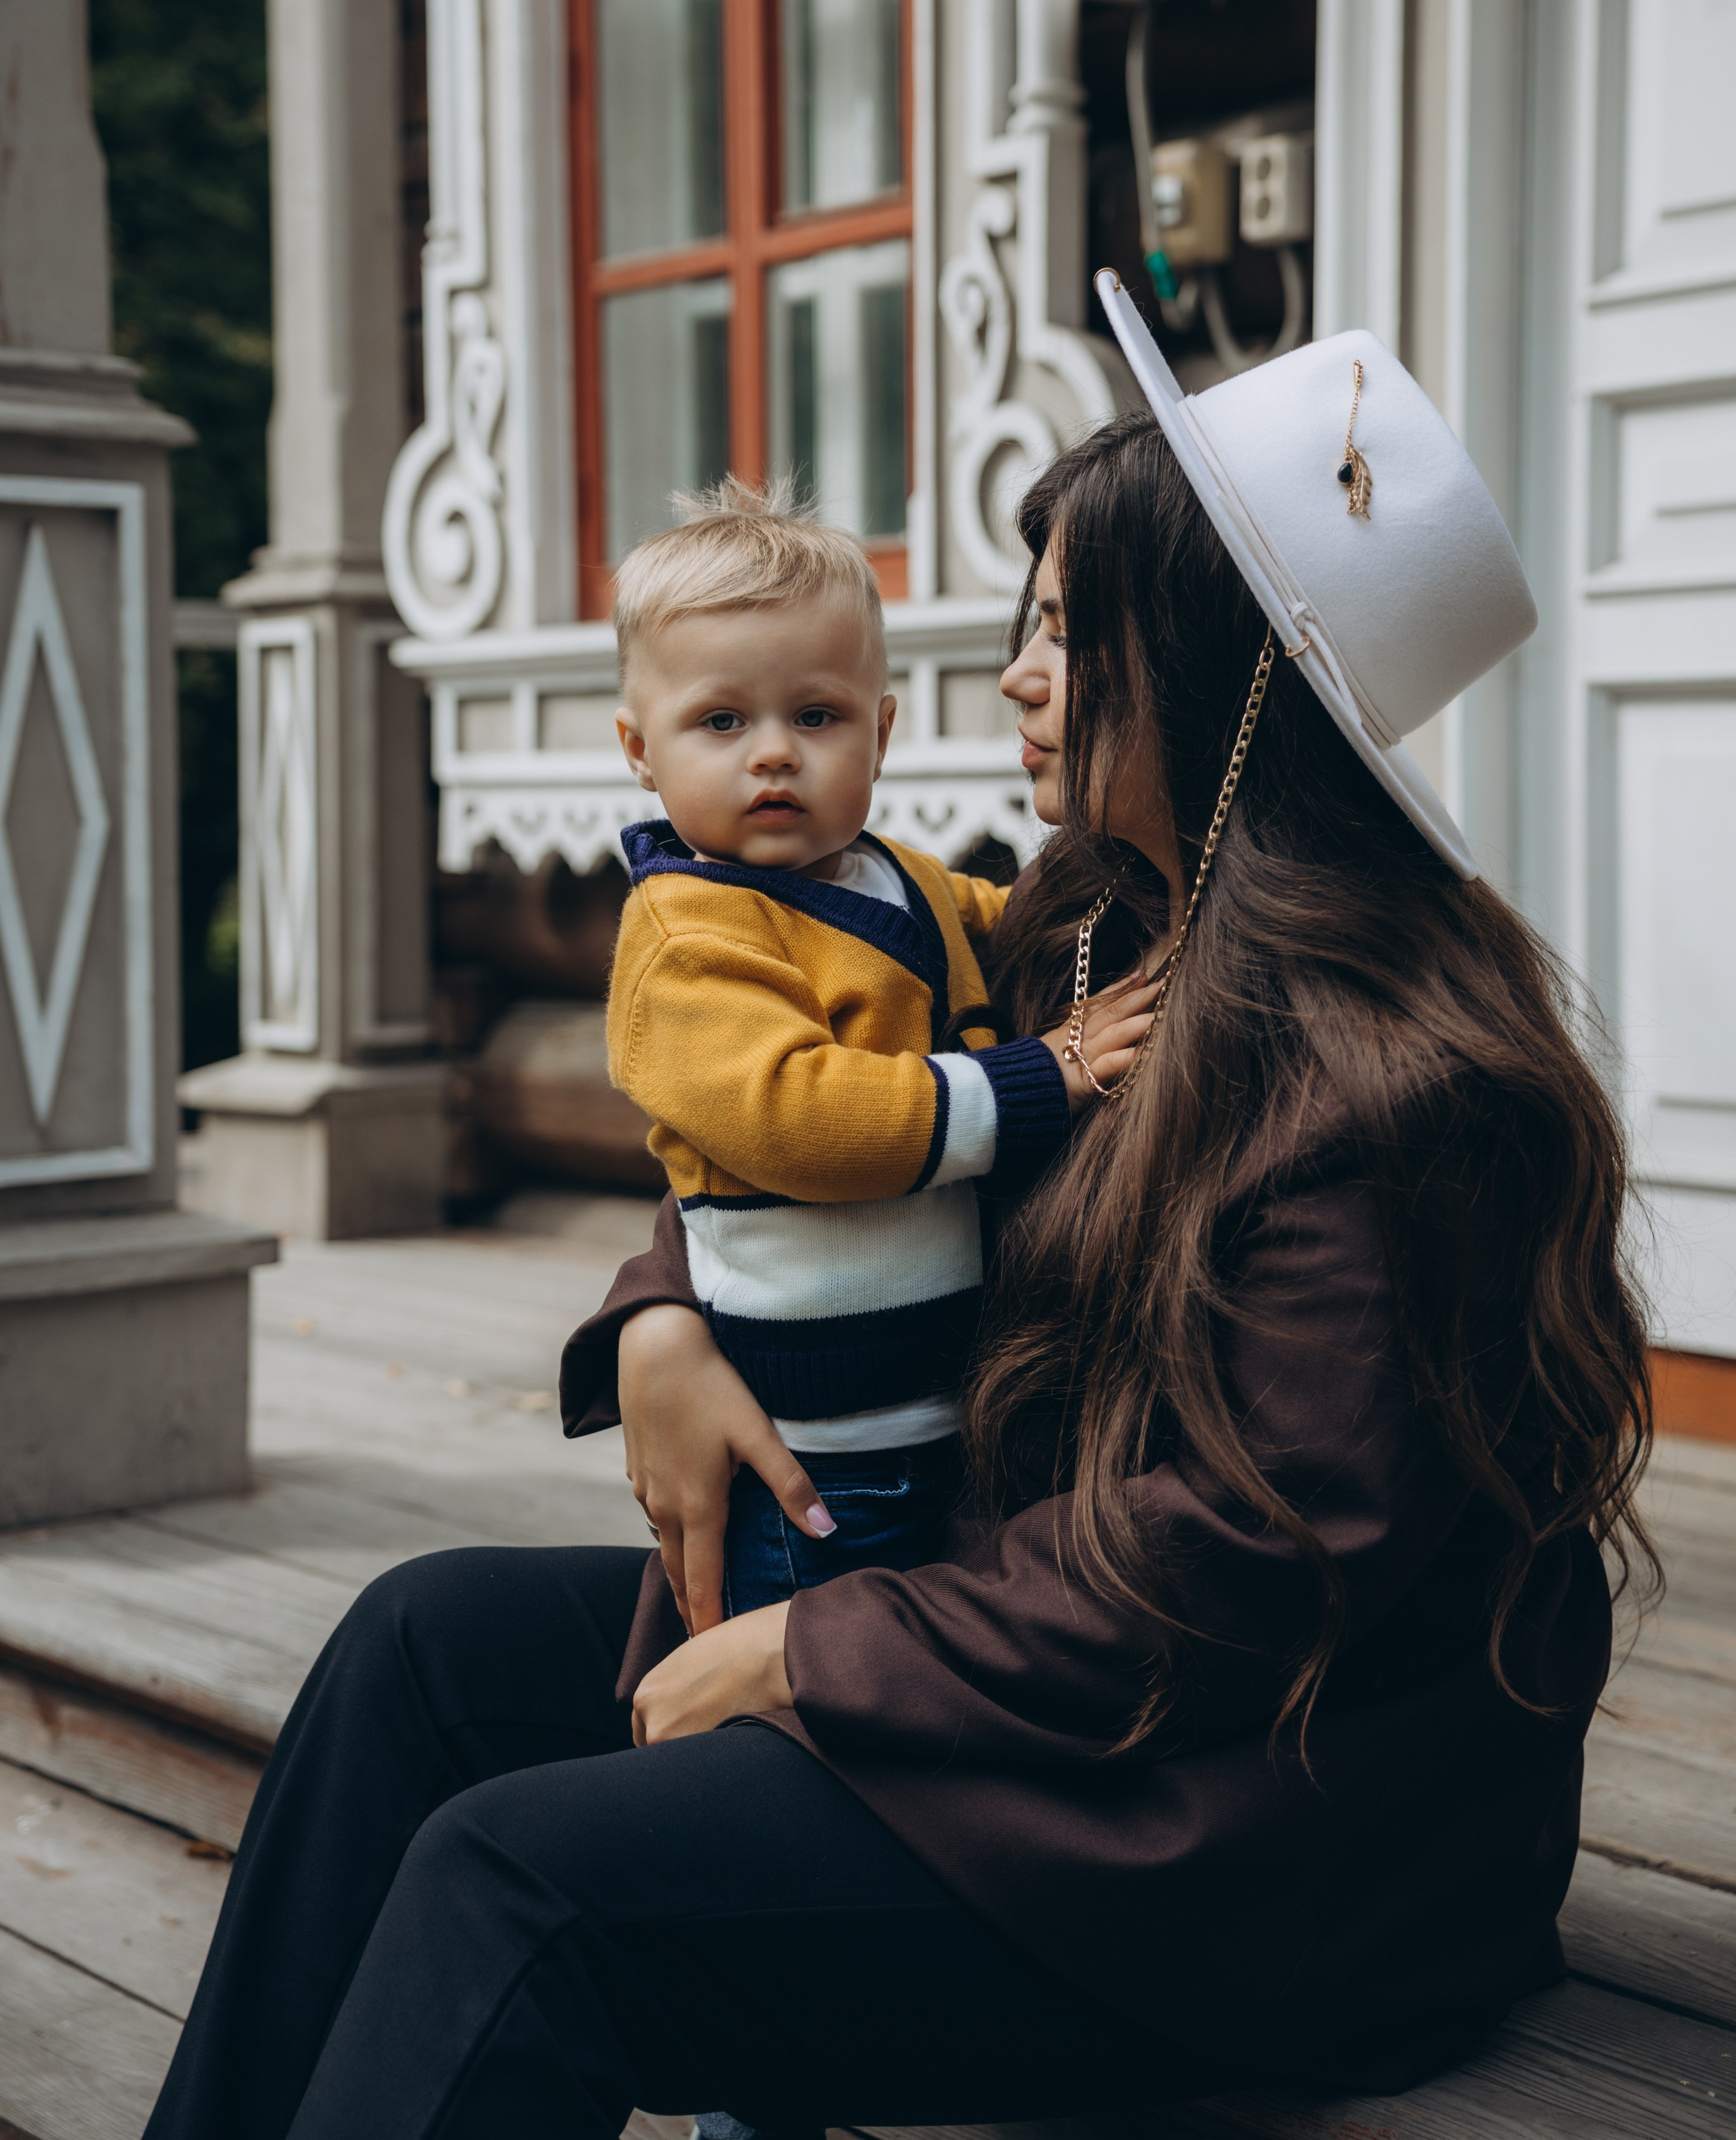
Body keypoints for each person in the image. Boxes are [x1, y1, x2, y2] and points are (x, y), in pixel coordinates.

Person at [144, 308, 1656, 2140]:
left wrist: (805, 1652)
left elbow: (1257, 1562)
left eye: (1067, 630)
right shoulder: (1082, 935)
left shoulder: (1400, 1085)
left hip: (1239, 1835)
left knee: (520, 1881)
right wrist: (661, 1319)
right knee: (418, 1646)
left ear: (1218, 669)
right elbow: (811, 1122)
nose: (1018, 675)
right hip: (1010, 1646)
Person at [605, 478, 1153, 1613]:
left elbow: (1012, 934)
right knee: (796, 1658)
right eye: (722, 722)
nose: (773, 756)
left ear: (882, 729)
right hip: (808, 1444)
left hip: (943, 1412)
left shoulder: (894, 875)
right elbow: (802, 1118)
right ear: (638, 749)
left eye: (816, 718)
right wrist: (1045, 1069)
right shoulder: (684, 932)